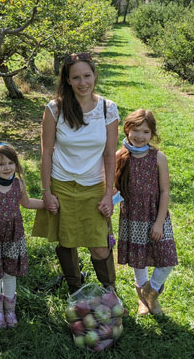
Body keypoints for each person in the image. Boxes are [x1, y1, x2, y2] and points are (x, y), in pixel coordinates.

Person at [32, 52, 120, 293]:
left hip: (94, 185)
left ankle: (108, 290)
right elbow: (46, 152)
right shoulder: (55, 109)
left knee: (99, 245)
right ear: (67, 80)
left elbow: (110, 155)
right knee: (66, 240)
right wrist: (47, 192)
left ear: (94, 75)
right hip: (61, 184)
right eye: (76, 77)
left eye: (87, 76)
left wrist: (107, 195)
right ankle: (75, 289)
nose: (83, 83)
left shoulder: (107, 109)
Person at [0, 142, 44, 328]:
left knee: (10, 273)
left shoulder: (18, 184)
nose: (7, 167)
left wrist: (47, 204)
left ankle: (10, 310)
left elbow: (26, 203)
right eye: (1, 164)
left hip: (13, 236)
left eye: (10, 163)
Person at [114, 109, 178, 316]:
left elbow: (164, 191)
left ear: (152, 135)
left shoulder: (158, 157)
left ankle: (151, 292)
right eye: (136, 131)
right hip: (132, 215)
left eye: (146, 132)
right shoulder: (120, 156)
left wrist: (159, 222)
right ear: (127, 130)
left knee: (166, 258)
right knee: (138, 258)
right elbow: (114, 189)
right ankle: (143, 300)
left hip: (155, 213)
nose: (140, 136)